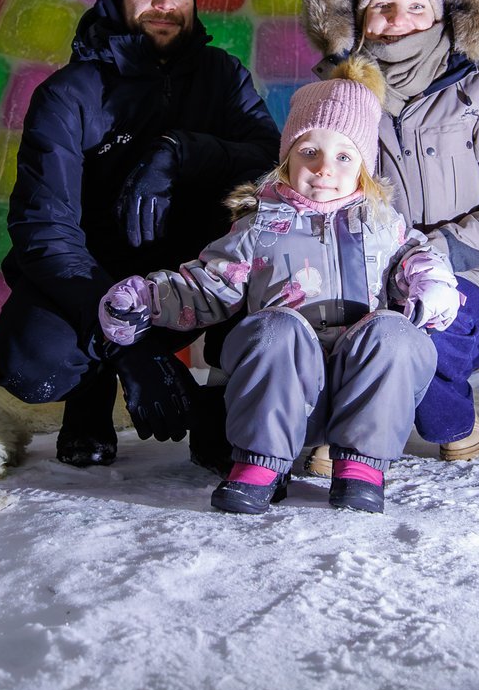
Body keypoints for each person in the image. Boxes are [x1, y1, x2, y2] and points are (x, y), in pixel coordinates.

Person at [95, 61, 459, 515]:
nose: (324, 168)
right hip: (279, 392)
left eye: (343, 157)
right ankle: (260, 465)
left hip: (362, 388)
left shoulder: (386, 226)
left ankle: (362, 468)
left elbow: (422, 261)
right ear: (287, 157)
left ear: (363, 168)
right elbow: (206, 287)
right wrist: (147, 299)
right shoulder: (258, 228)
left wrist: (433, 285)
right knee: (276, 329)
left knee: (395, 334)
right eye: (310, 151)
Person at [0, 0, 280, 468]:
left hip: (195, 271)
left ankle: (221, 404)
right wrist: (130, 343)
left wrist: (180, 150)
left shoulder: (223, 76)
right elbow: (42, 229)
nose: (165, 4)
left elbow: (272, 164)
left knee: (276, 263)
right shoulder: (68, 94)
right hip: (93, 275)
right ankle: (89, 399)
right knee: (32, 360)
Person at [300, 0, 479, 465]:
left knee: (430, 330)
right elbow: (306, 192)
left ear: (441, 13)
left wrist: (433, 253)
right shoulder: (338, 98)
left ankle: (450, 419)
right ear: (360, 21)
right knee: (329, 330)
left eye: (417, 5)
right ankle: (340, 428)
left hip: (471, 274)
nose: (400, 18)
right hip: (361, 275)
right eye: (382, 5)